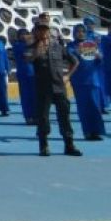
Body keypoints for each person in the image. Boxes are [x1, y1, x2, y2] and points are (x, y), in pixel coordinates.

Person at [31, 22, 82, 156]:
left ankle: (69, 145)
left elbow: (75, 61)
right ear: (36, 32)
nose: (43, 33)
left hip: (59, 87)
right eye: (40, 30)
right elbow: (27, 59)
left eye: (45, 30)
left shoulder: (58, 47)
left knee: (64, 117)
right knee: (43, 118)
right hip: (43, 89)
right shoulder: (32, 47)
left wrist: (68, 76)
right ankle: (44, 146)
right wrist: (37, 51)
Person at [66, 24, 105, 141]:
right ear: (74, 33)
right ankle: (87, 132)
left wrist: (98, 55)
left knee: (95, 107)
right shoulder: (71, 46)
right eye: (78, 31)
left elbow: (100, 59)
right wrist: (83, 49)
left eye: (83, 31)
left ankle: (96, 131)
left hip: (93, 80)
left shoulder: (92, 44)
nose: (80, 33)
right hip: (79, 82)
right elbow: (71, 56)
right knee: (83, 107)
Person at [11, 28, 37, 124]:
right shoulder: (18, 45)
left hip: (34, 74)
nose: (24, 36)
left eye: (26, 34)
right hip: (24, 74)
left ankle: (36, 116)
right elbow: (27, 54)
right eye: (22, 34)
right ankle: (28, 116)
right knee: (26, 96)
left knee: (35, 96)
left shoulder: (32, 45)